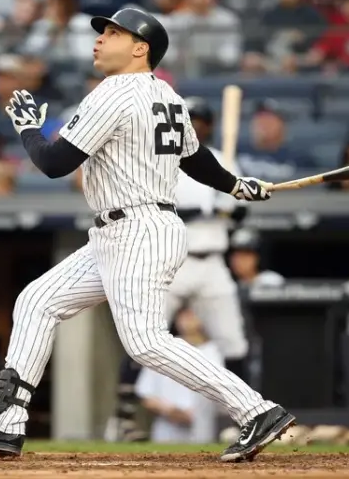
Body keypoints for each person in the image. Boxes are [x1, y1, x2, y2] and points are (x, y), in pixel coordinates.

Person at [0, 7, 294, 464]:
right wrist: (235, 184)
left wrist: (27, 127)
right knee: (37, 301)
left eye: (112, 33)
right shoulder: (166, 93)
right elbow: (195, 158)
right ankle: (8, 420)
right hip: (121, 231)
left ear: (140, 48)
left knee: (145, 342)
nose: (99, 40)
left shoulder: (114, 93)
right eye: (102, 32)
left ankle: (256, 410)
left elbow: (53, 164)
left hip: (138, 230)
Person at [105, 96, 251, 442]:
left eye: (201, 120)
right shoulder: (159, 160)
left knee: (234, 343)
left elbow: (240, 211)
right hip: (171, 259)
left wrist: (226, 206)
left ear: (210, 125)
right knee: (142, 336)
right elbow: (157, 209)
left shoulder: (224, 159)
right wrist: (203, 208)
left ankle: (244, 418)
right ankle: (123, 419)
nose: (196, 125)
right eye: (191, 118)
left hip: (213, 262)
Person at [135, 308, 223, 443]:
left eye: (192, 314)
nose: (188, 319)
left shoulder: (214, 351)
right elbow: (146, 394)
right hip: (166, 431)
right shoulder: (161, 349)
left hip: (201, 430)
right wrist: (170, 411)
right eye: (183, 315)